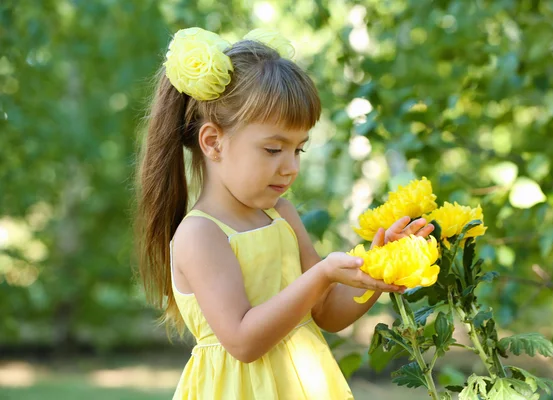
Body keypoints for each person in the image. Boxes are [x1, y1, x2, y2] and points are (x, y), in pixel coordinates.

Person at [134, 27, 434, 400]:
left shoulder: (282, 215)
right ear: (213, 142)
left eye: (299, 150)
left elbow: (327, 313)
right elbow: (243, 342)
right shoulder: (202, 235)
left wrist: (380, 265)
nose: (291, 167)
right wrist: (322, 275)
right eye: (274, 150)